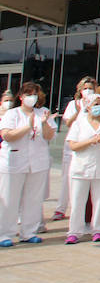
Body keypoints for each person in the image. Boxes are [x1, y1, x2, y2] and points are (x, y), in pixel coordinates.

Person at [0, 82, 54, 246]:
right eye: (29, 94)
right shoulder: (12, 114)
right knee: (10, 198)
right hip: (14, 161)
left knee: (34, 199)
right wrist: (27, 127)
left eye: (35, 94)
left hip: (38, 162)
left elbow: (49, 135)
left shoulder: (43, 113)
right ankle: (5, 234)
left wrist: (43, 123)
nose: (32, 97)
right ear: (21, 97)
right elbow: (7, 135)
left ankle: (28, 232)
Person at [65, 84, 100, 243]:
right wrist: (91, 141)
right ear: (87, 107)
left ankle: (98, 230)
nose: (99, 107)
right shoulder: (79, 123)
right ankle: (74, 232)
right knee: (78, 202)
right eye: (95, 104)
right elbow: (73, 145)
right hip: (81, 168)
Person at [55, 75, 96, 220]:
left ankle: (83, 212)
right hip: (73, 146)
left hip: (89, 146)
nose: (88, 91)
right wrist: (79, 110)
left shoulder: (96, 104)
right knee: (67, 179)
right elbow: (68, 123)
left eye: (91, 88)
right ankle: (61, 208)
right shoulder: (73, 104)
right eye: (85, 88)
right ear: (80, 90)